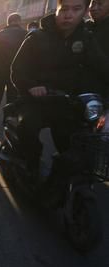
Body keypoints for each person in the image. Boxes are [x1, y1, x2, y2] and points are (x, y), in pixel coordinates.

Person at [11, 0, 109, 179]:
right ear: (56, 9)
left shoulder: (87, 39)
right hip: (36, 101)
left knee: (74, 144)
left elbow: (101, 66)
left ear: (85, 11)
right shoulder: (37, 37)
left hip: (67, 103)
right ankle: (31, 165)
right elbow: (17, 70)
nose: (68, 14)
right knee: (27, 129)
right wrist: (31, 86)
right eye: (64, 9)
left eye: (76, 9)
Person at [0, 13, 27, 121]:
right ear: (19, 21)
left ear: (8, 22)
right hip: (16, 71)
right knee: (12, 96)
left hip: (0, 70)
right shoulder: (25, 34)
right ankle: (9, 118)